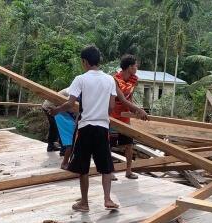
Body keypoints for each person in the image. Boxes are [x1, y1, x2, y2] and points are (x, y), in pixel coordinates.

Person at [50, 45, 118, 212]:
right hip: (102, 127)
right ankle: (108, 199)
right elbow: (111, 107)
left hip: (85, 127)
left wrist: (56, 110)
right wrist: (101, 112)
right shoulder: (110, 80)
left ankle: (84, 203)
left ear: (84, 61)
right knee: (106, 165)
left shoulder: (80, 79)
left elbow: (70, 104)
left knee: (83, 166)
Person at [110, 55, 148, 179]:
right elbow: (121, 99)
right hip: (113, 116)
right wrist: (139, 110)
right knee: (109, 145)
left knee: (129, 145)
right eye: (135, 65)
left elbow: (129, 98)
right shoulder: (115, 79)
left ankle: (128, 171)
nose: (137, 67)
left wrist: (134, 111)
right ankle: (109, 172)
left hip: (125, 117)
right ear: (130, 67)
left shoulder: (133, 79)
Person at [54, 88, 77, 169]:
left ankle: (71, 161)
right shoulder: (74, 91)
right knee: (71, 141)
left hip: (64, 113)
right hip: (61, 114)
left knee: (74, 140)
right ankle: (64, 163)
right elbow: (70, 106)